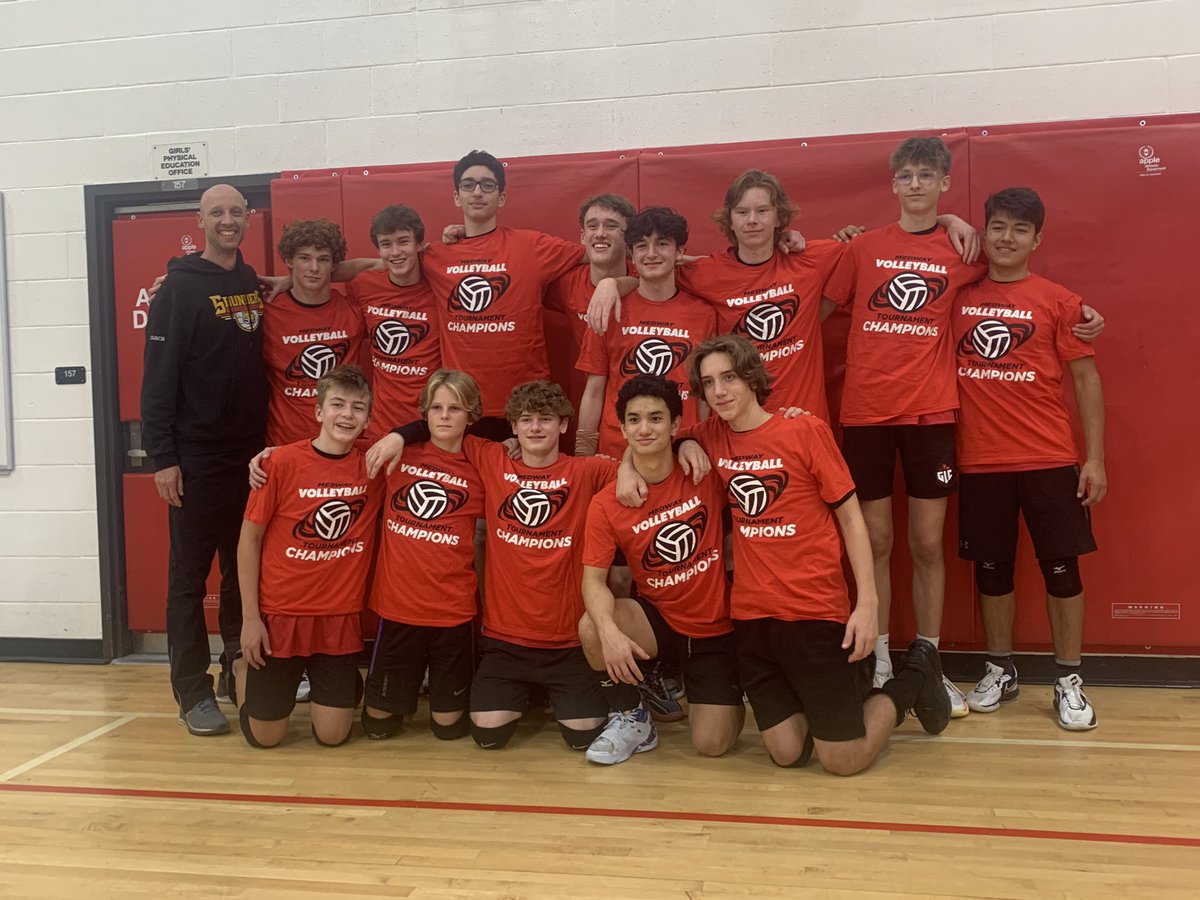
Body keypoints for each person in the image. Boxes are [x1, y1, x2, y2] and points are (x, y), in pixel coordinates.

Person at [668, 335, 951, 775]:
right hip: (753, 619)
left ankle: (914, 675)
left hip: (815, 613)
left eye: (728, 377)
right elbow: (658, 440)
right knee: (787, 754)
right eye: (708, 383)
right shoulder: (710, 437)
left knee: (842, 761)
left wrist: (867, 604)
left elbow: (853, 520)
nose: (719, 391)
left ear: (752, 378)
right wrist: (681, 444)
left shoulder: (804, 430)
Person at [367, 381, 617, 752]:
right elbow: (441, 425)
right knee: (484, 735)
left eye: (545, 419)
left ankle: (552, 693)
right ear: (512, 426)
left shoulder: (587, 471)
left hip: (566, 642)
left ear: (564, 425)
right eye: (526, 420)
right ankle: (524, 692)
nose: (535, 428)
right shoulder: (490, 458)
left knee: (582, 738)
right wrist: (398, 437)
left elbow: (646, 466)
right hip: (505, 642)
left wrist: (677, 447)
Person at [953, 188, 1106, 730]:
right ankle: (1000, 668)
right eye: (997, 226)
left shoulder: (1061, 302)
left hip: (1048, 458)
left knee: (1062, 571)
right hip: (980, 462)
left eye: (1020, 229)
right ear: (984, 232)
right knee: (992, 572)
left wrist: (1095, 459)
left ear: (1037, 239)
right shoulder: (958, 296)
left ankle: (1068, 677)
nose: (1006, 238)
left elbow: (1086, 382)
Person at [141, 183, 268, 736]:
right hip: (194, 461)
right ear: (200, 220)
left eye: (236, 212)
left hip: (247, 459)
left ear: (248, 219)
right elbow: (157, 380)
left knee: (241, 576)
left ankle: (233, 672)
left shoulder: (247, 281)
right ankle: (191, 691)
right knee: (189, 581)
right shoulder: (177, 289)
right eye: (216, 212)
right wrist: (163, 456)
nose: (227, 220)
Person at [580, 374, 743, 765]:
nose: (644, 428)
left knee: (712, 744)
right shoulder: (607, 503)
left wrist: (688, 442)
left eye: (656, 418)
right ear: (621, 428)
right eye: (634, 420)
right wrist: (609, 634)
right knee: (593, 624)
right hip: (661, 624)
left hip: (716, 629)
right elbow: (593, 581)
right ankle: (633, 715)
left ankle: (721, 685)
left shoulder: (702, 469)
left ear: (674, 424)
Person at [235, 365, 381, 748]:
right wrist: (251, 619)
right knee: (265, 739)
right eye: (337, 405)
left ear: (368, 418)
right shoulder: (279, 463)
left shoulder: (374, 463)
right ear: (317, 412)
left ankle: (342, 682)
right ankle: (241, 669)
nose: (347, 415)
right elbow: (248, 542)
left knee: (333, 737)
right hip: (281, 614)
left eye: (358, 408)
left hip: (338, 616)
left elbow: (424, 443)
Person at [419, 150, 586, 429]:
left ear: (502, 197)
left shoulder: (531, 246)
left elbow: (600, 256)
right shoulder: (435, 255)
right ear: (457, 196)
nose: (478, 192)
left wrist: (611, 283)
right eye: (468, 185)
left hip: (525, 408)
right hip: (462, 406)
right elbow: (390, 262)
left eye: (487, 185)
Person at [361, 370, 485, 741]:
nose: (445, 416)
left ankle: (435, 682)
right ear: (424, 414)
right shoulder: (395, 453)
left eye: (455, 408)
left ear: (472, 415)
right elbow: (331, 449)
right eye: (436, 408)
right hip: (400, 607)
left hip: (453, 609)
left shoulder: (482, 462)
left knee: (449, 730)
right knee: (378, 727)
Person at [575, 207, 716, 458]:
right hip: (617, 451)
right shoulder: (608, 307)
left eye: (662, 244)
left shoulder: (704, 313)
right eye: (641, 246)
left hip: (680, 448)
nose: (651, 254)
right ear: (632, 253)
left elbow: (703, 393)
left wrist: (702, 441)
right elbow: (594, 389)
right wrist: (583, 452)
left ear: (680, 251)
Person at [262, 219, 364, 446]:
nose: (314, 268)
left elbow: (387, 264)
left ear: (335, 265)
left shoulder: (353, 311)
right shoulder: (268, 311)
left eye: (323, 260)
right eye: (304, 258)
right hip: (285, 447)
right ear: (289, 261)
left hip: (342, 445)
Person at [345, 205, 442, 442]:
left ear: (419, 244)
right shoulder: (364, 286)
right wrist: (288, 279)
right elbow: (325, 271)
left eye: (403, 241)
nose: (395, 252)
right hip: (381, 426)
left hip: (433, 426)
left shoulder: (440, 286)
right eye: (386, 244)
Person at [544, 193, 637, 419]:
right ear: (583, 237)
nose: (600, 233)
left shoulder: (645, 278)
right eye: (592, 226)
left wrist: (617, 284)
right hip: (583, 404)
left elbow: (685, 267)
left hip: (636, 406)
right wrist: (472, 237)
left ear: (629, 238)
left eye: (612, 225)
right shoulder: (567, 284)